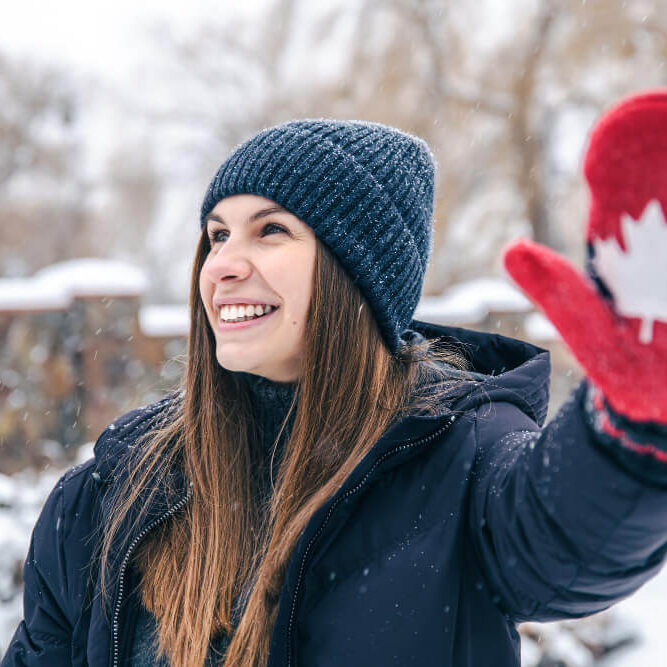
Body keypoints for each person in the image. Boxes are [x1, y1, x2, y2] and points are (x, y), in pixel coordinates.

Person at [2, 93, 667, 667]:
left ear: (357, 278)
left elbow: (566, 537)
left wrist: (629, 428)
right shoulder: (110, 493)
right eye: (216, 234)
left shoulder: (460, 460)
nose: (223, 263)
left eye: (270, 231)